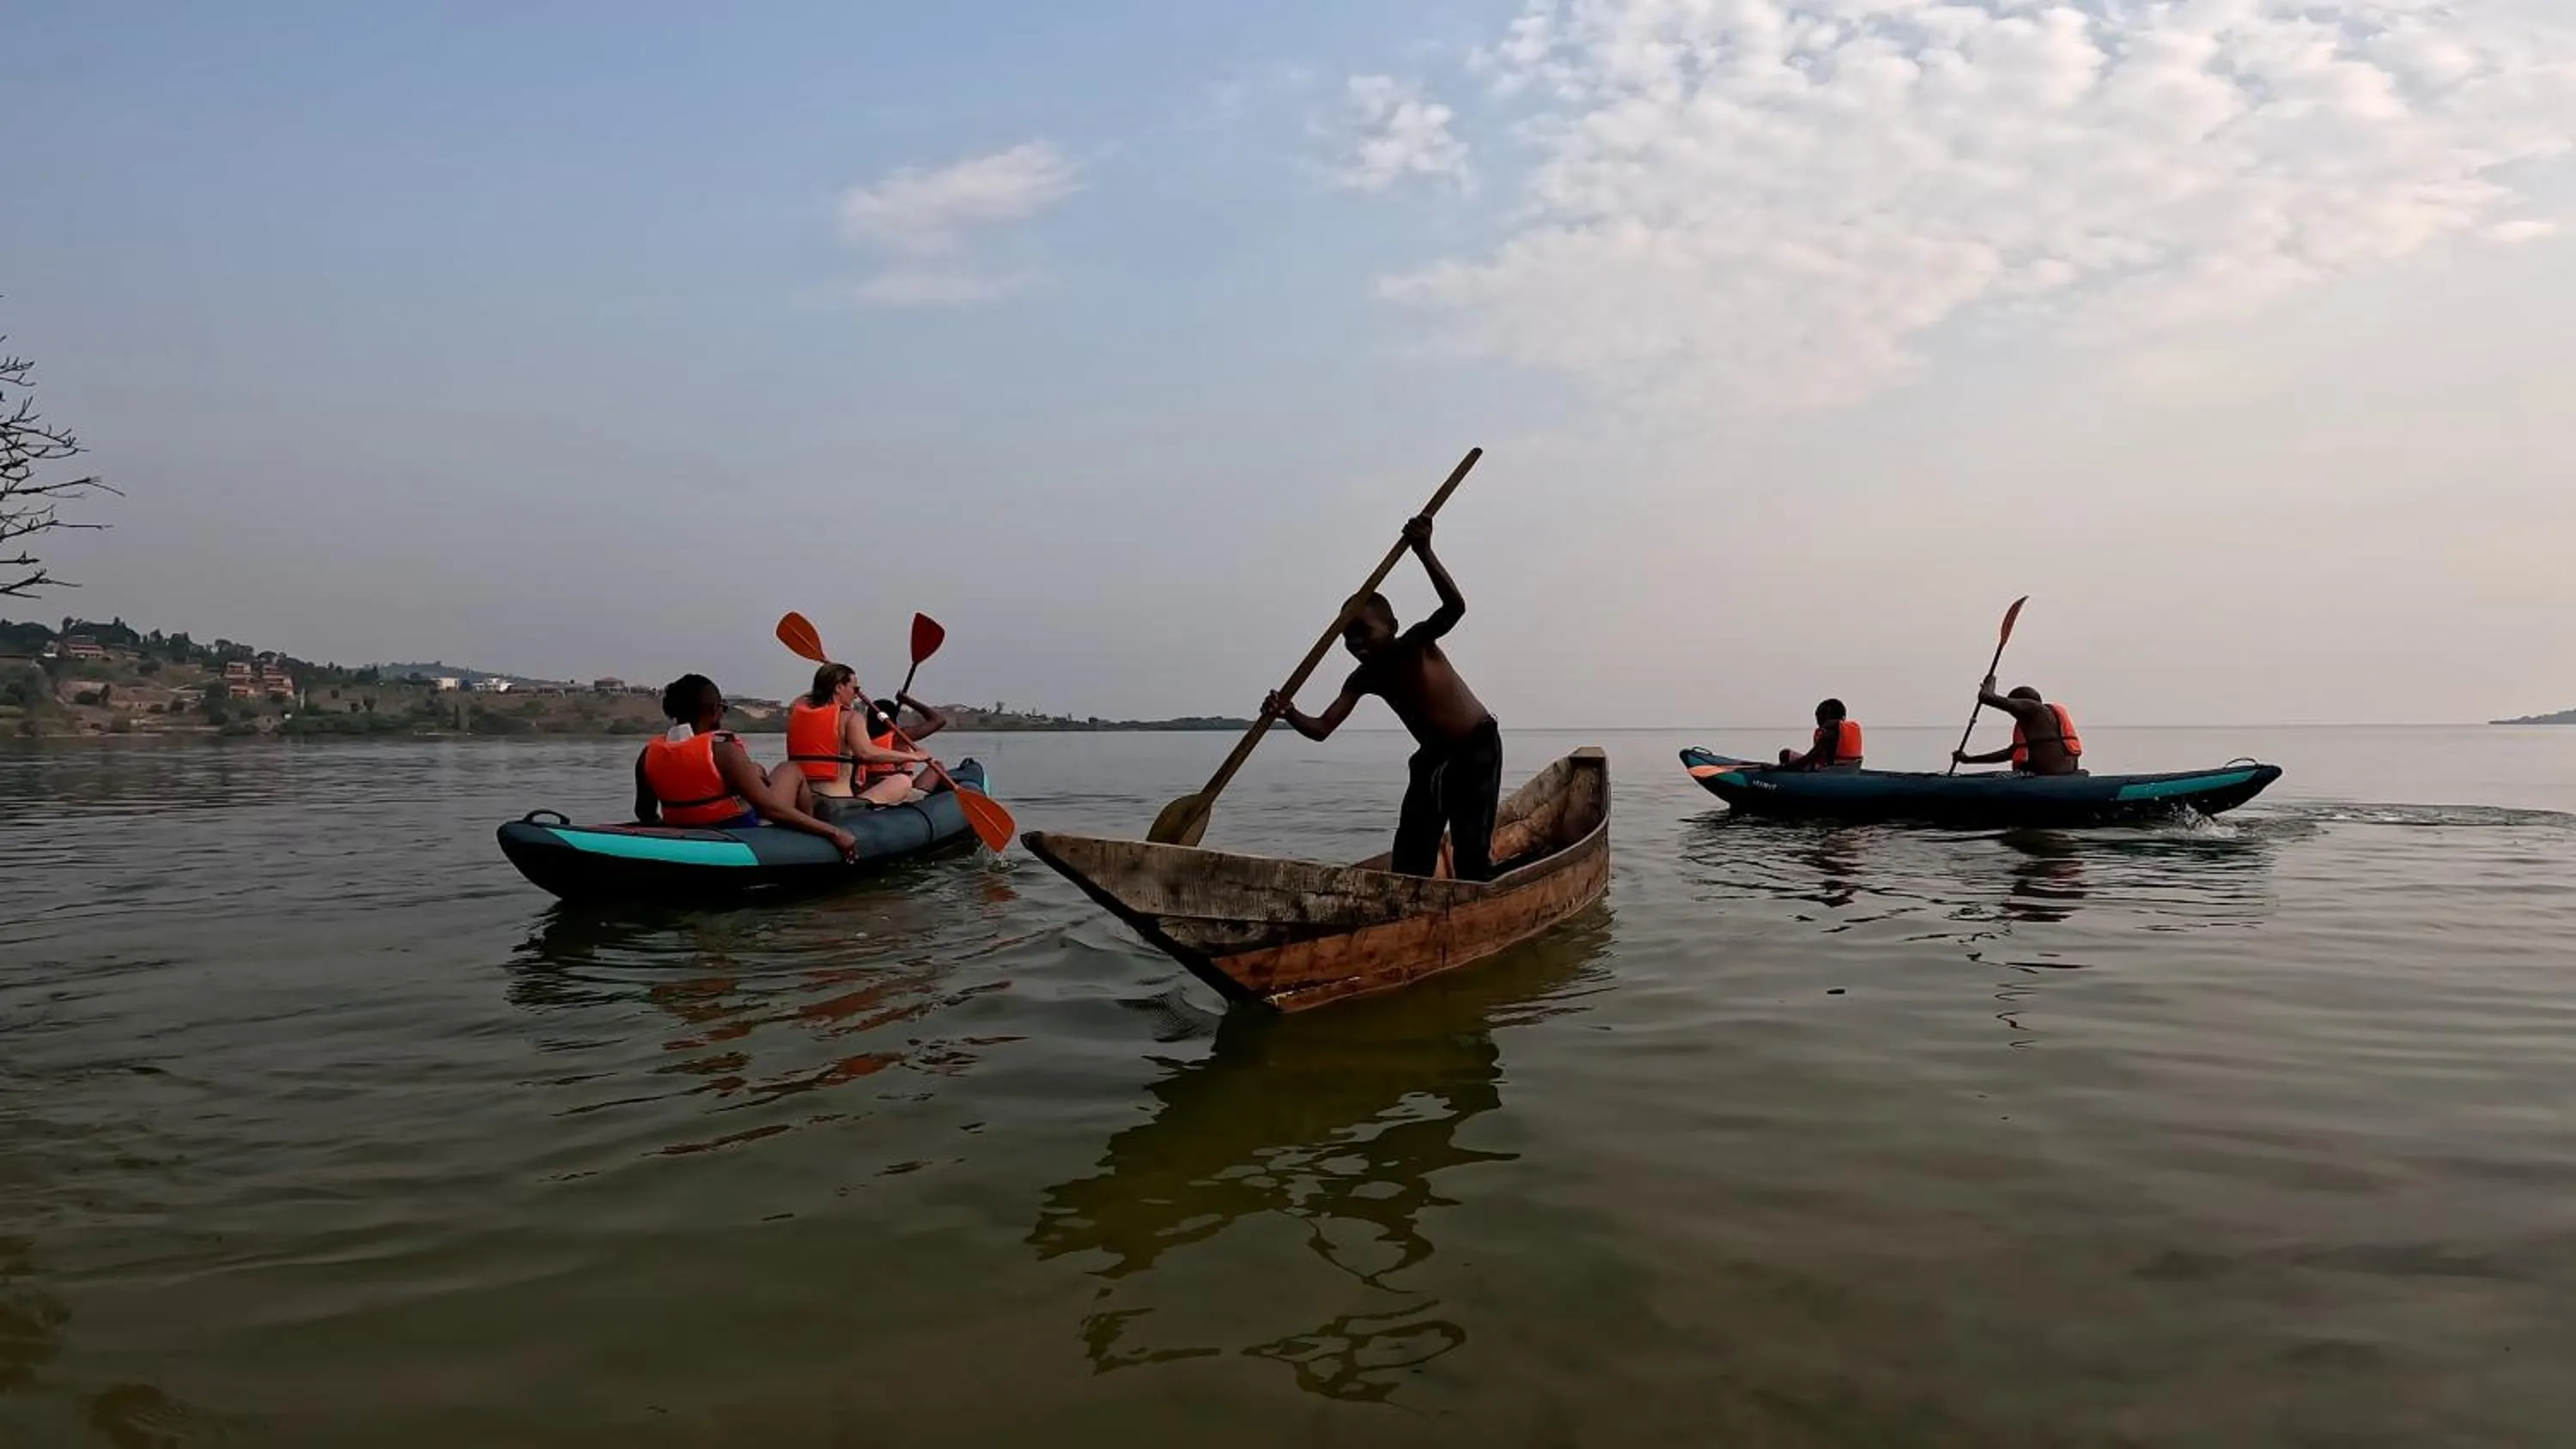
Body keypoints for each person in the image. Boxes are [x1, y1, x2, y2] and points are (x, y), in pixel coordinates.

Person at [1265, 514, 1502, 882]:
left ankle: (1480, 888)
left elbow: (1455, 608)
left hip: (1475, 746)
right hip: (1434, 758)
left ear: (1391, 627)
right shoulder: (1364, 677)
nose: (1356, 644)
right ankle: (1412, 900)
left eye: (1364, 632)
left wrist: (1425, 551)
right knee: (1410, 852)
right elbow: (1323, 727)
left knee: (1471, 850)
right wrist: (1289, 712)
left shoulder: (1415, 643)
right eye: (1347, 638)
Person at [636, 674, 858, 857]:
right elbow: (770, 809)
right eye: (723, 707)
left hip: (684, 829)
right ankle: (810, 837)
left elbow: (644, 813)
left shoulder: (648, 753)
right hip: (737, 830)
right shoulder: (723, 749)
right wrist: (833, 833)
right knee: (791, 770)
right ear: (714, 709)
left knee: (760, 770)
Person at [784, 663, 934, 808]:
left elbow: (803, 699)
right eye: (855, 689)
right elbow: (866, 752)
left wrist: (826, 680)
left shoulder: (795, 713)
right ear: (838, 687)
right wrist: (915, 756)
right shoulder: (850, 717)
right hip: (837, 803)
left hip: (805, 801)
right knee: (902, 781)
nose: (856, 696)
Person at [1953, 676, 2084, 776]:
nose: (2012, 713)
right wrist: (1968, 760)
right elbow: (2009, 753)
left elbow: (1986, 697)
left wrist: (1990, 682)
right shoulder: (2039, 722)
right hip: (2063, 775)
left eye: (2012, 707)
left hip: (2047, 778)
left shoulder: (2033, 708)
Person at [855, 690, 951, 803]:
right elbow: (939, 721)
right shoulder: (899, 736)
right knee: (937, 766)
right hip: (898, 792)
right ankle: (947, 799)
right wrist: (909, 701)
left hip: (870, 789)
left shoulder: (860, 737)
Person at [1777, 698, 1864, 771]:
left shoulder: (1829, 734)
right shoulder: (1843, 731)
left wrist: (1780, 768)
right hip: (1851, 771)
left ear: (1826, 716)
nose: (1817, 722)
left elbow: (1807, 759)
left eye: (1818, 717)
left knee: (1785, 754)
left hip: (1830, 773)